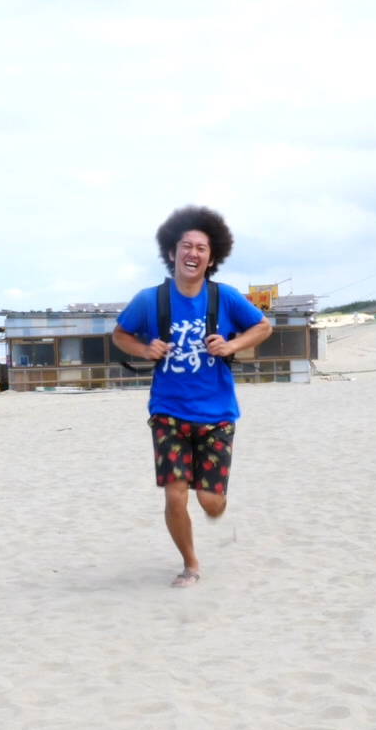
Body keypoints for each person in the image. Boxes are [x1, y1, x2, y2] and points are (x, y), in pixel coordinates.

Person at [112, 205, 273, 588]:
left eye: (201, 248)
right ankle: (190, 563)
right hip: (168, 411)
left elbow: (263, 327)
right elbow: (120, 335)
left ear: (211, 257)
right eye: (186, 246)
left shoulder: (226, 298)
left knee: (210, 504)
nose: (193, 253)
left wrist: (231, 344)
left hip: (217, 413)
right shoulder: (150, 300)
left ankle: (215, 497)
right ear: (172, 253)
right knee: (175, 497)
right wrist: (144, 349)